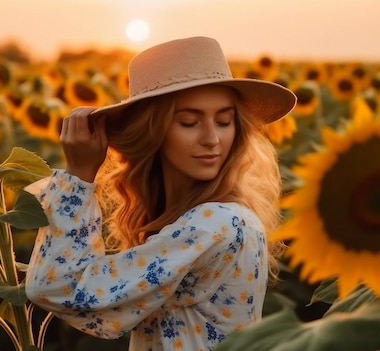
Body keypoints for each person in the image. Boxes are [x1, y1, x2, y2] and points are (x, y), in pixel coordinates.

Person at [25, 36, 297, 351]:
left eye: (224, 121)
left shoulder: (219, 224)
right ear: (152, 131)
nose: (212, 138)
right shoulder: (207, 218)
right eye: (189, 122)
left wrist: (77, 177)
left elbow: (59, 286)